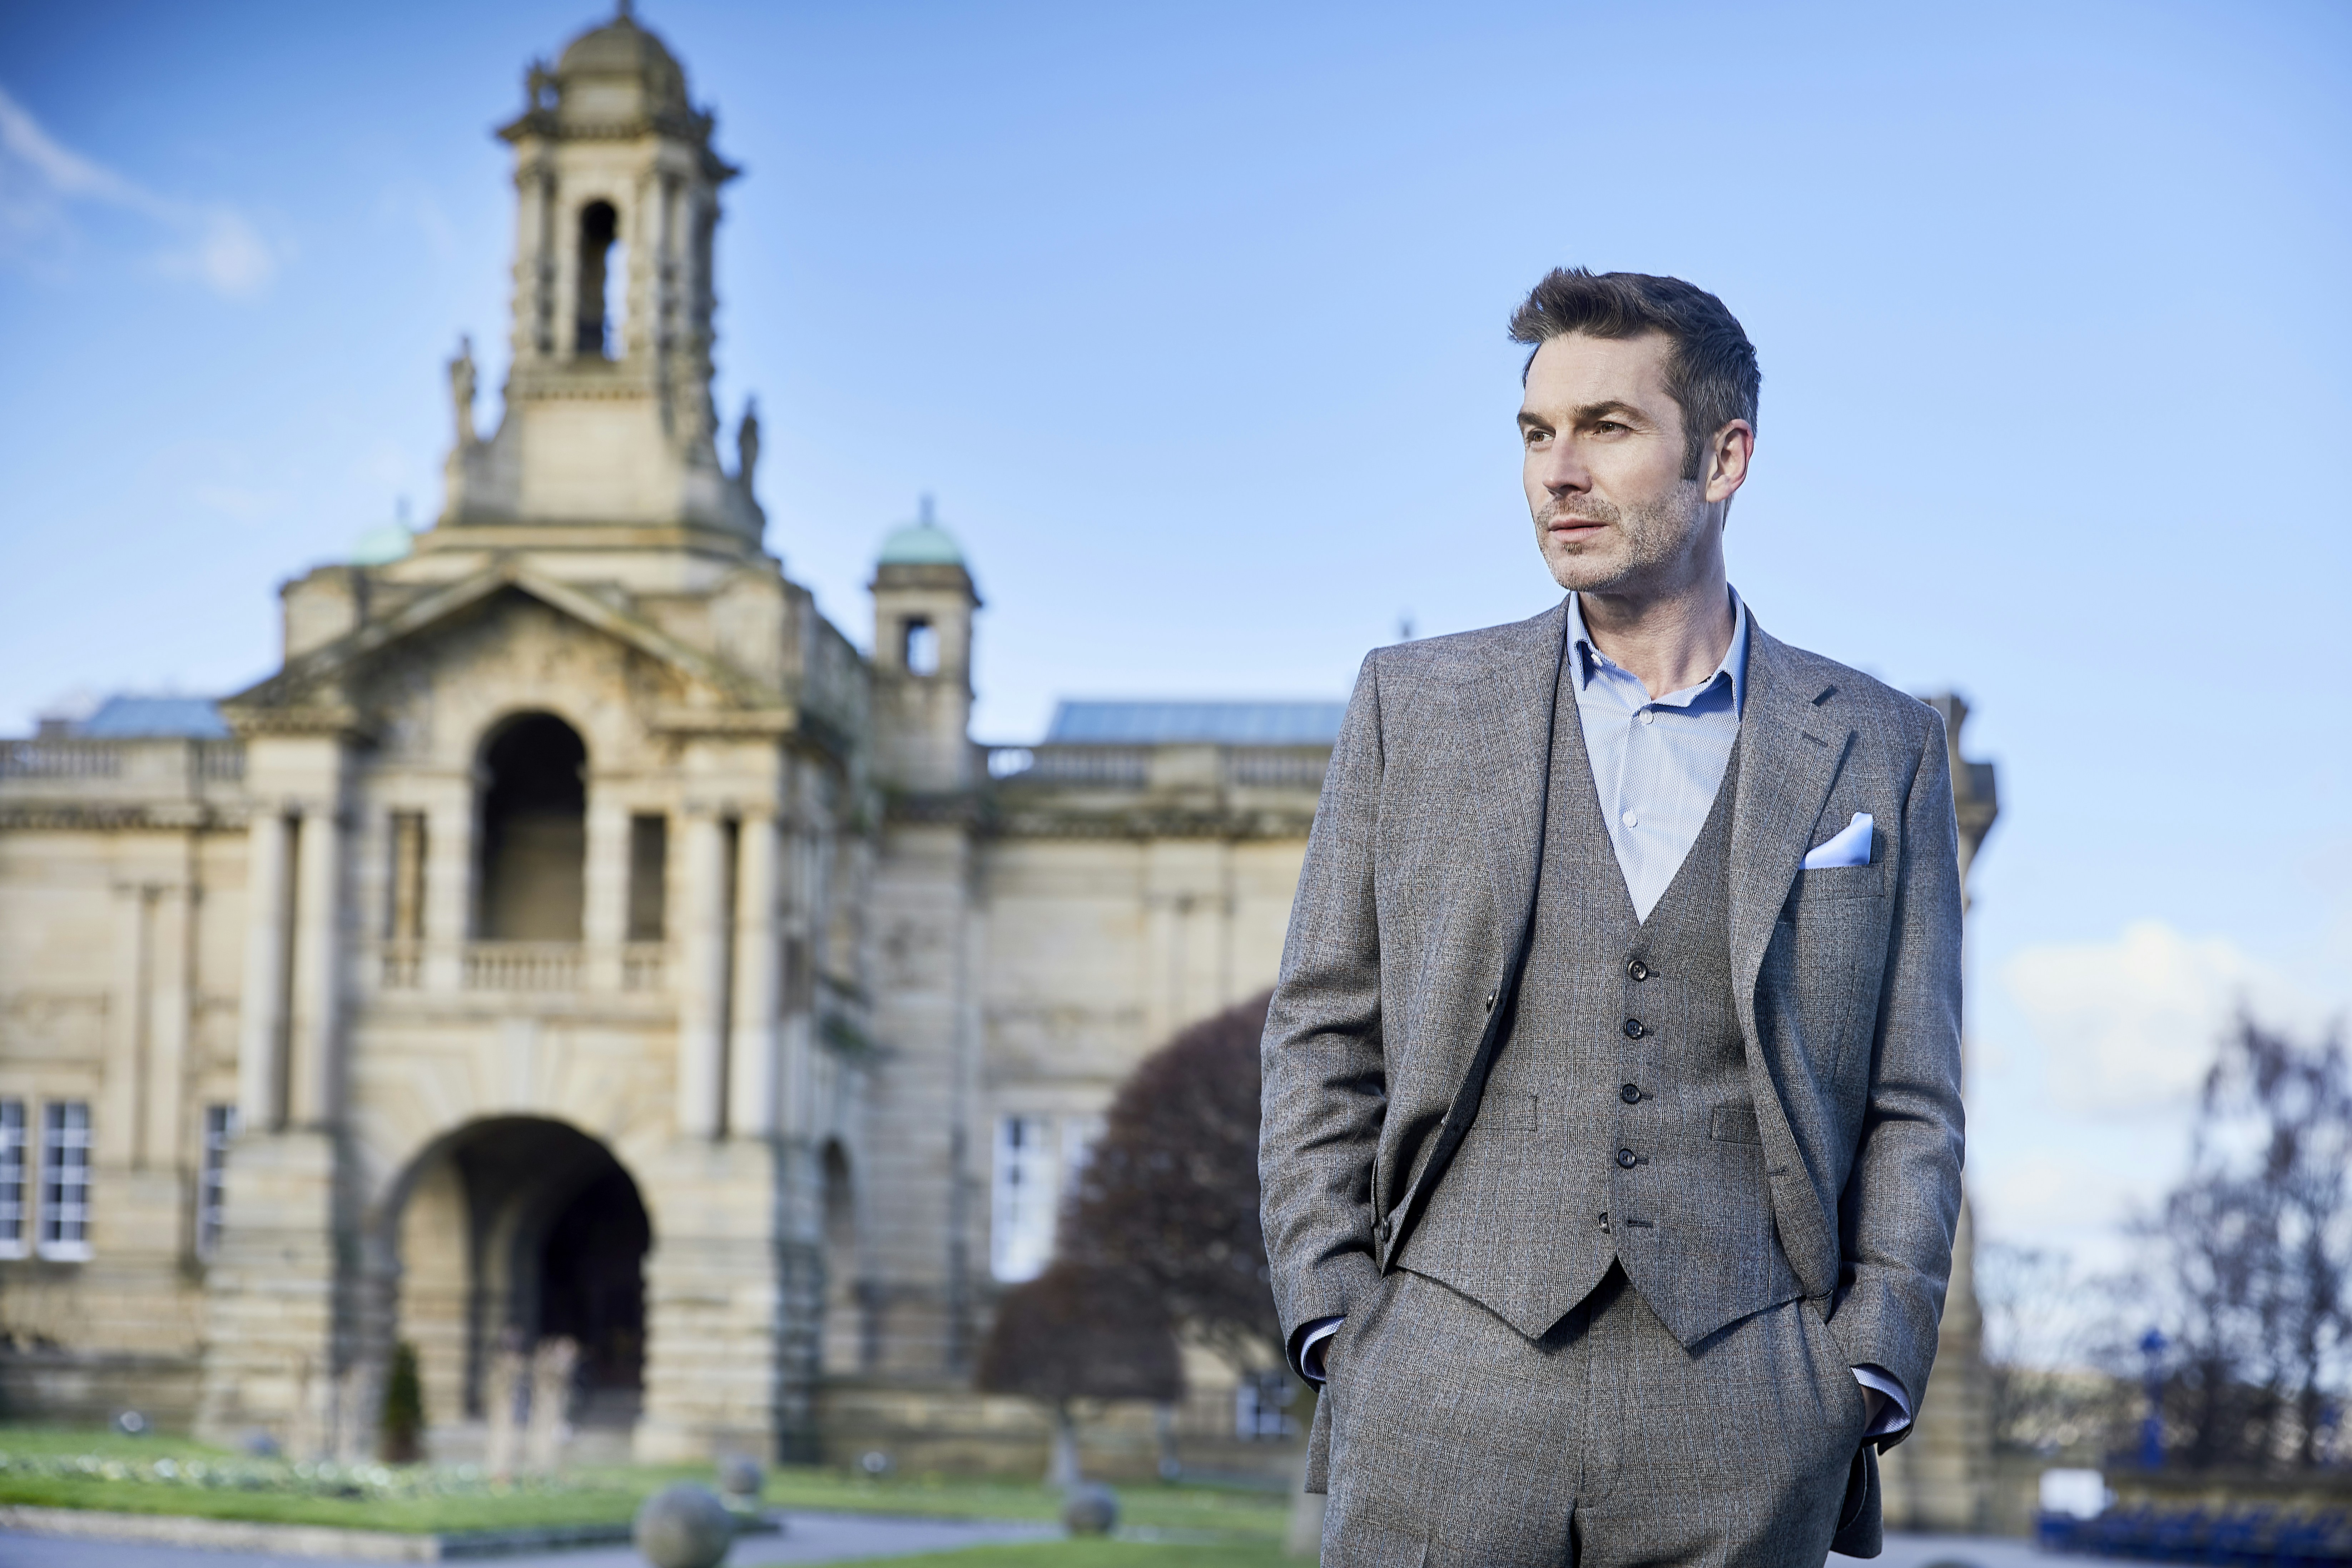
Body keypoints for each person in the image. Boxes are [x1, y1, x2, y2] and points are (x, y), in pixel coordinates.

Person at [1258, 268, 1965, 1566]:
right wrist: (1337, 1315)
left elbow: (1913, 1096)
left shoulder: (1883, 744)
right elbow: (1321, 1028)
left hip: (1752, 1411)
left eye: (1608, 427)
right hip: (1438, 1395)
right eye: (1537, 432)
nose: (1558, 473)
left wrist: (1863, 1364)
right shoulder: (1414, 704)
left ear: (1725, 457)